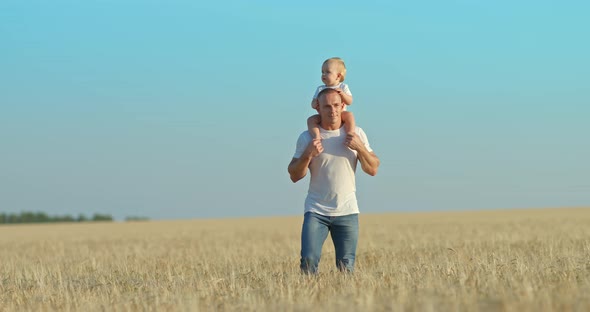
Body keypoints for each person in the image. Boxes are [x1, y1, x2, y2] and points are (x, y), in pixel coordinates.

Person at [288, 88, 380, 274]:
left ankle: (344, 301)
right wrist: (308, 154)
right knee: (308, 261)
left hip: (347, 211)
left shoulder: (356, 133)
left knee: (346, 267)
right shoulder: (307, 137)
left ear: (343, 106)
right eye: (327, 106)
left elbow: (373, 169)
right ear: (318, 109)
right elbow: (294, 175)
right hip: (316, 211)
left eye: (336, 105)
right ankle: (306, 300)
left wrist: (360, 148)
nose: (333, 110)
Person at [308, 57, 356, 141]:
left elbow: (350, 101)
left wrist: (342, 94)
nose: (323, 74)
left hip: (341, 114)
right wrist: (315, 103)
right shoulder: (320, 89)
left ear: (338, 76)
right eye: (322, 72)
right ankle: (317, 136)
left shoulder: (342, 87)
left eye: (327, 72)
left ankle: (350, 134)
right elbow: (313, 104)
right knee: (311, 120)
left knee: (349, 115)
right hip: (324, 116)